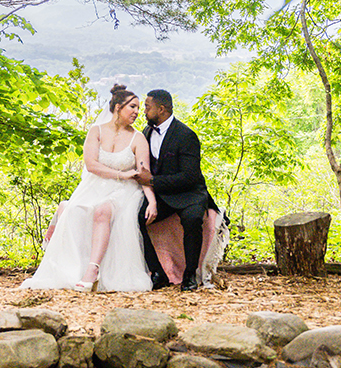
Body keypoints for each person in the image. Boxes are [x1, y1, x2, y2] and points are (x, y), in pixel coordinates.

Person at [22, 85, 155, 292]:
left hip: (124, 191)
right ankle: (67, 268)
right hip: (95, 185)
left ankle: (92, 270)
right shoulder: (97, 131)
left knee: (103, 210)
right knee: (71, 210)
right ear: (118, 107)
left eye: (139, 107)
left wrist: (152, 201)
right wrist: (121, 173)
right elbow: (91, 165)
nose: (137, 112)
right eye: (132, 107)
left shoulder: (138, 138)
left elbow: (143, 175)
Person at [135, 89, 218, 291]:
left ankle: (190, 274)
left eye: (147, 107)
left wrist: (153, 180)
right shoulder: (146, 132)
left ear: (161, 109)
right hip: (163, 195)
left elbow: (189, 177)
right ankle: (157, 273)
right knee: (137, 217)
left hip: (190, 193)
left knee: (192, 220)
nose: (143, 111)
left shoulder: (186, 135)